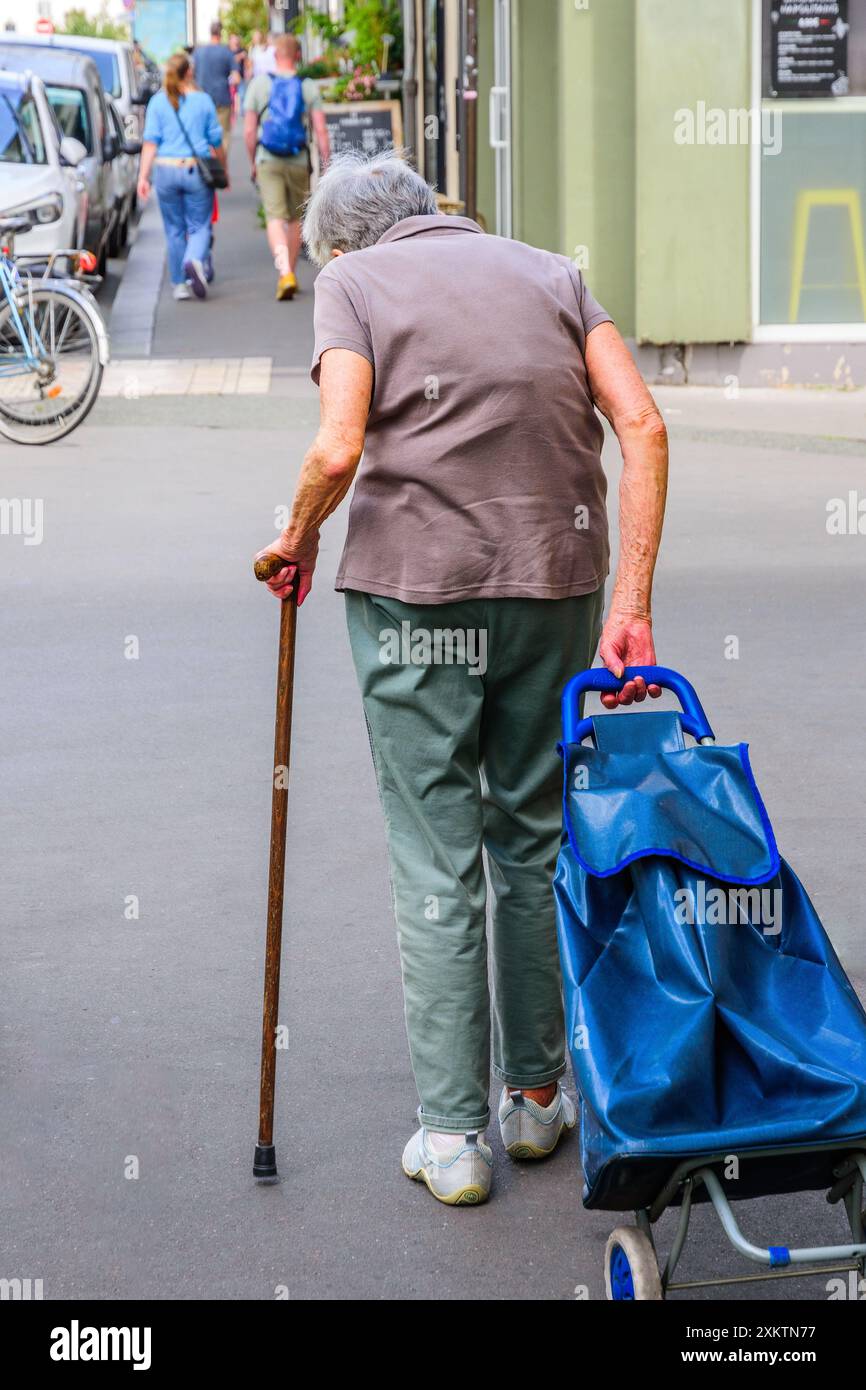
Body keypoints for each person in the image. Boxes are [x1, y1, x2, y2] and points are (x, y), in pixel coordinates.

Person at [254, 152, 669, 1207]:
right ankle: (534, 1099)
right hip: (557, 587)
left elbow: (338, 443)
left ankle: (451, 1138)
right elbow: (642, 425)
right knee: (526, 839)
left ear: (343, 240)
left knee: (436, 852)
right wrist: (628, 606)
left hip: (414, 605)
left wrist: (293, 535)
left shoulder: (348, 284)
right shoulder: (550, 274)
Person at [243, 33, 329, 301]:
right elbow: (321, 130)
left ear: (275, 55)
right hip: (297, 159)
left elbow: (248, 130)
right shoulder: (308, 86)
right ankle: (290, 271)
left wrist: (252, 162)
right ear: (298, 56)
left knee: (274, 218)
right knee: (295, 219)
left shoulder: (259, 85)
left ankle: (285, 273)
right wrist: (327, 165)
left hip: (268, 158)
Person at [137, 52, 228, 301]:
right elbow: (216, 140)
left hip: (164, 171)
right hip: (194, 170)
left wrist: (143, 177)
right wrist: (222, 166)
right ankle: (192, 260)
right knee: (199, 225)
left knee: (174, 230)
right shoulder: (203, 101)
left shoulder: (157, 102)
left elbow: (150, 143)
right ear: (189, 72)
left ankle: (179, 284)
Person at [193, 20, 238, 142]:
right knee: (223, 135)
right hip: (222, 98)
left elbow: (191, 74)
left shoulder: (198, 53)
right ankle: (220, 160)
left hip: (201, 98)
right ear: (221, 33)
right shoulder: (227, 52)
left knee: (203, 133)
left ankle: (206, 160)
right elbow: (236, 77)